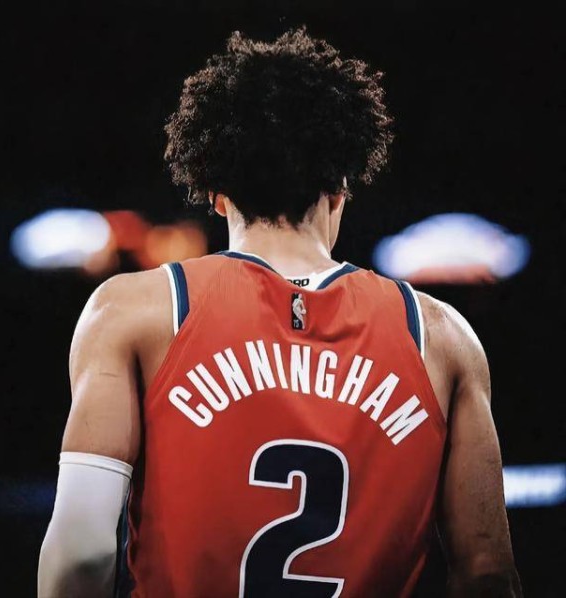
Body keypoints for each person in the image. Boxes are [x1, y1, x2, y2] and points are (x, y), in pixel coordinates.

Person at [38, 28, 521, 597]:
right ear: (341, 186)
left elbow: (82, 555)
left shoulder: (133, 310)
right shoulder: (440, 336)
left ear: (215, 190)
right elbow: (488, 574)